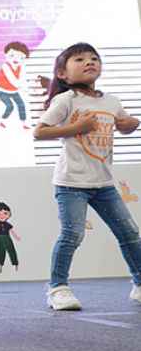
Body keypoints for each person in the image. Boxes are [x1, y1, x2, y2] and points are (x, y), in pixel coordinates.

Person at [34, 42, 141, 310]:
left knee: (129, 232)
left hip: (103, 183)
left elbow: (123, 125)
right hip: (71, 183)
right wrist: (77, 127)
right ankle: (58, 288)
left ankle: (139, 284)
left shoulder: (111, 101)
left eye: (94, 58)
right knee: (72, 235)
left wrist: (130, 124)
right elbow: (39, 132)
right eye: (79, 59)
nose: (89, 62)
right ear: (62, 74)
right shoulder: (66, 100)